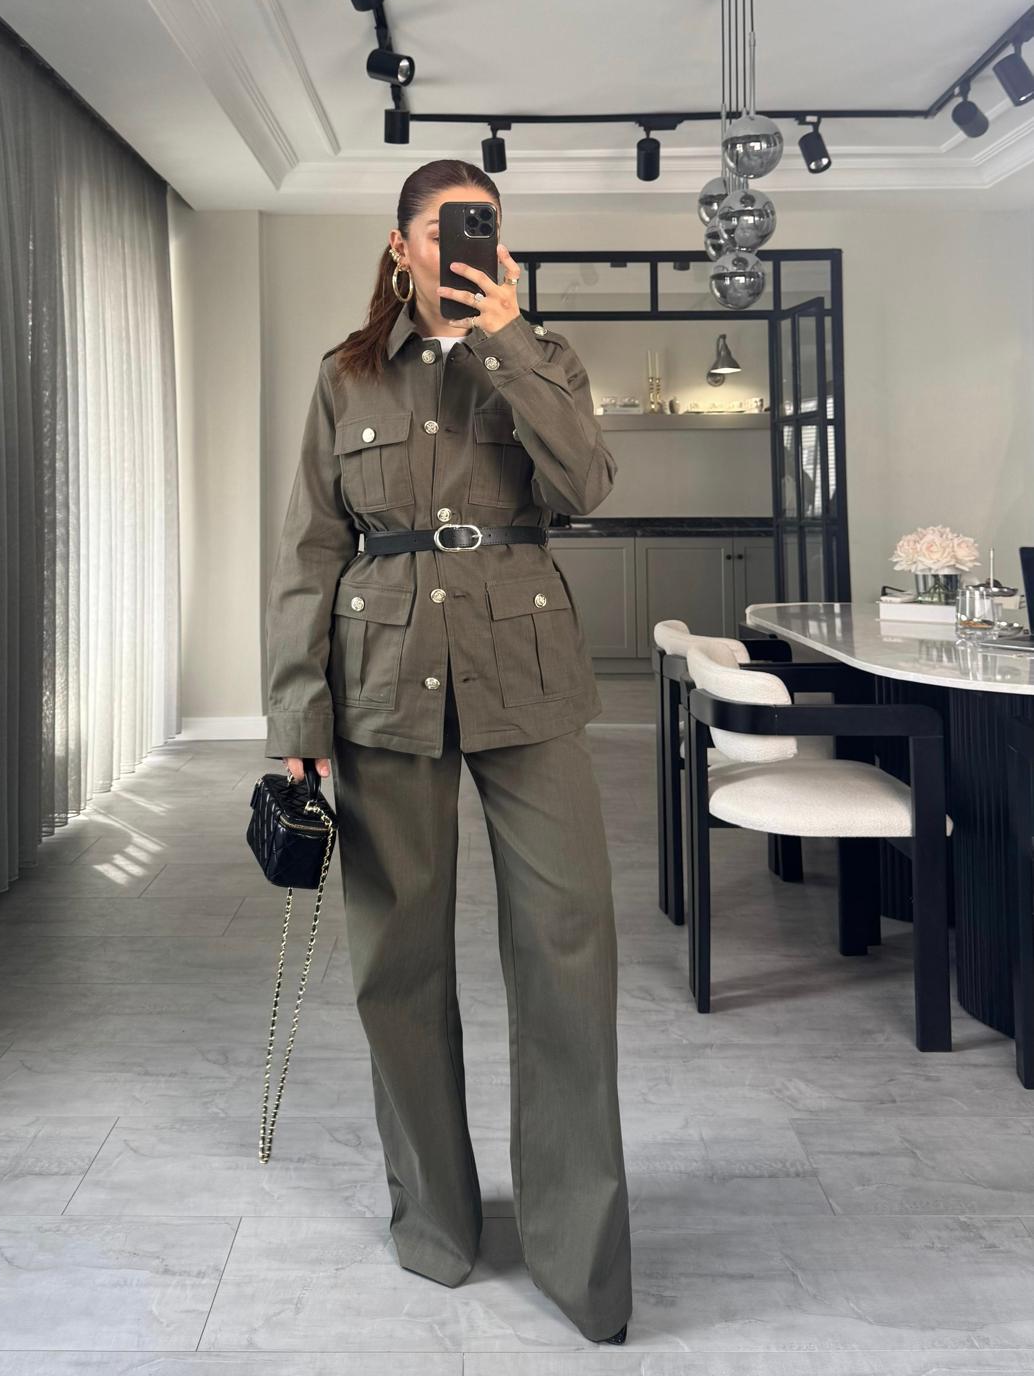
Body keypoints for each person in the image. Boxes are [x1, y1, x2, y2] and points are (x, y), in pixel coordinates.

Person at [263, 158, 632, 1344]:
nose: (467, 244)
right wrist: (298, 724)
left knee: (568, 948)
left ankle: (579, 1256)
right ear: (400, 245)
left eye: (485, 227)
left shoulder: (542, 356)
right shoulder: (345, 376)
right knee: (398, 962)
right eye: (444, 228)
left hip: (526, 670)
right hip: (380, 678)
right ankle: (434, 1220)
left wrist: (507, 341)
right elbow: (307, 554)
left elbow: (587, 485)